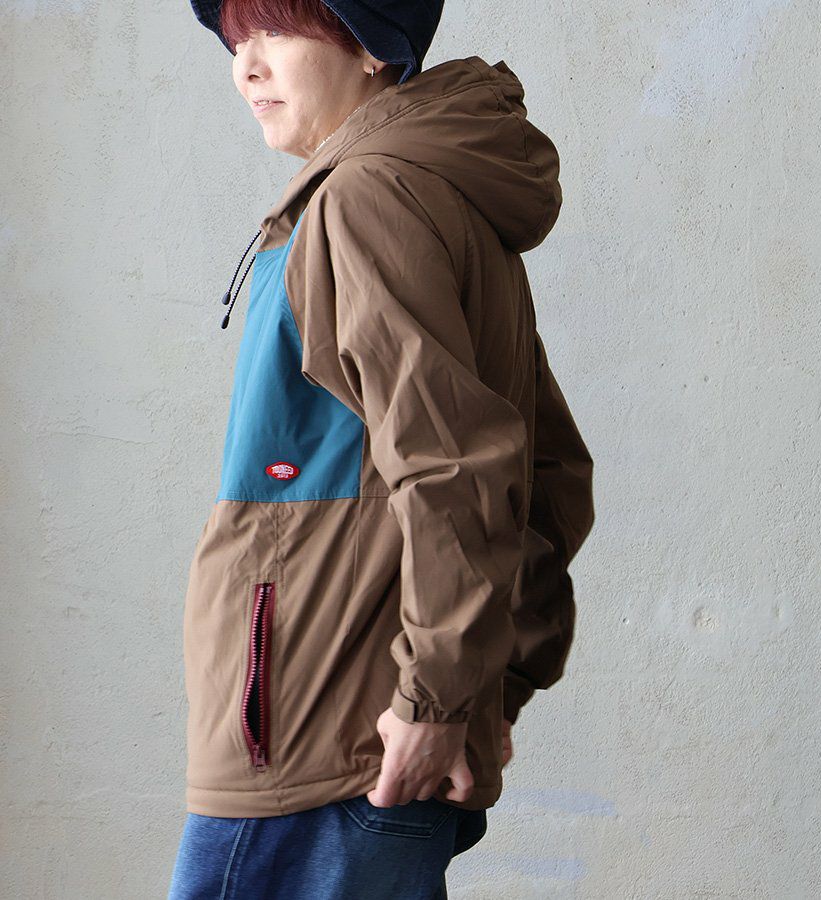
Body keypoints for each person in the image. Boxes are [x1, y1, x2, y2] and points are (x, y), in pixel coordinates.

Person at [168, 1, 595, 897]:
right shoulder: (432, 190)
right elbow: (546, 469)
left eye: (276, 31)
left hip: (321, 738)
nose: (246, 66)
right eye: (237, 40)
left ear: (370, 45)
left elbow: (458, 465)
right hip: (379, 726)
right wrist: (481, 682)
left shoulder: (363, 199)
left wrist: (445, 695)